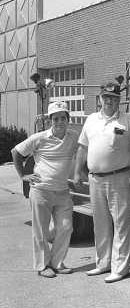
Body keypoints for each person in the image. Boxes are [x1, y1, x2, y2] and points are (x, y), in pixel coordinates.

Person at [74, 82, 130, 283]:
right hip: (95, 179)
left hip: (120, 178)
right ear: (100, 99)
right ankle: (103, 263)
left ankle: (120, 268)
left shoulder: (128, 120)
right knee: (100, 224)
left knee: (121, 224)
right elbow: (82, 148)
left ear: (119, 100)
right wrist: (77, 172)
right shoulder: (91, 120)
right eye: (106, 97)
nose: (110, 101)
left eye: (114, 98)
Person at [11, 101, 78, 278]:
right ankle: (42, 266)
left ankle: (57, 262)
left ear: (67, 119)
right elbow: (15, 152)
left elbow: (83, 152)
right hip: (41, 191)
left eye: (63, 118)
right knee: (40, 230)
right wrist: (23, 176)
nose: (59, 122)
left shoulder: (73, 137)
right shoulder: (39, 138)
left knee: (66, 227)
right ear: (50, 121)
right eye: (55, 119)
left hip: (62, 191)